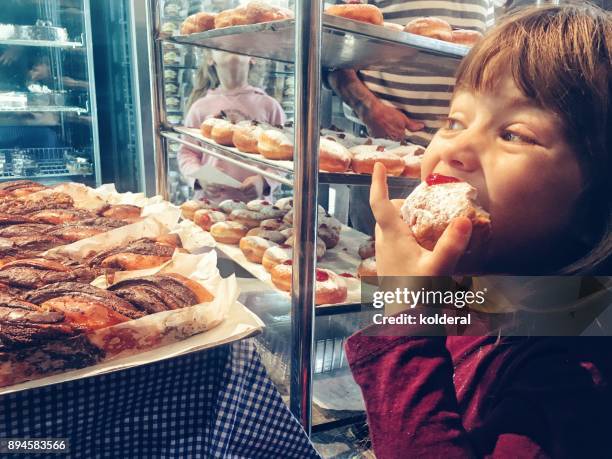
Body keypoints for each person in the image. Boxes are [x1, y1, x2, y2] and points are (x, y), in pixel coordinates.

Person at [346, 4, 612, 457]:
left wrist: (409, 315)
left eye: (515, 134)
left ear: (596, 204)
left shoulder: (568, 369)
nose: (456, 147)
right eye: (454, 121)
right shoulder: (492, 291)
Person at [328, 0, 495, 233]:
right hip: (383, 155)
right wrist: (368, 107)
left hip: (462, 165)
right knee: (377, 255)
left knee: (454, 259)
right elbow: (329, 50)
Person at [178, 50, 286, 203]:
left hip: (256, 209)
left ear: (252, 57)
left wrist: (264, 181)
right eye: (222, 45)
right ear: (210, 58)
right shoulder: (200, 107)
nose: (231, 47)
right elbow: (187, 152)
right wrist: (201, 176)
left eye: (239, 45)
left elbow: (283, 157)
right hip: (210, 207)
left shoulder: (269, 106)